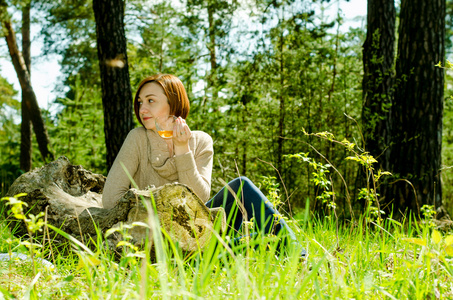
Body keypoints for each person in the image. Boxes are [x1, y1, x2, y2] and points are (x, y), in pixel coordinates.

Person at [102, 74, 307, 258]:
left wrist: (183, 150)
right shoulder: (137, 138)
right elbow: (110, 198)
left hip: (198, 224)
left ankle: (299, 256)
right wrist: (161, 211)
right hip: (155, 231)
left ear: (173, 104)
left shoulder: (200, 141)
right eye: (140, 102)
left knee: (241, 186)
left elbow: (200, 198)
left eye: (150, 101)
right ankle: (239, 246)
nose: (142, 109)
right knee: (249, 241)